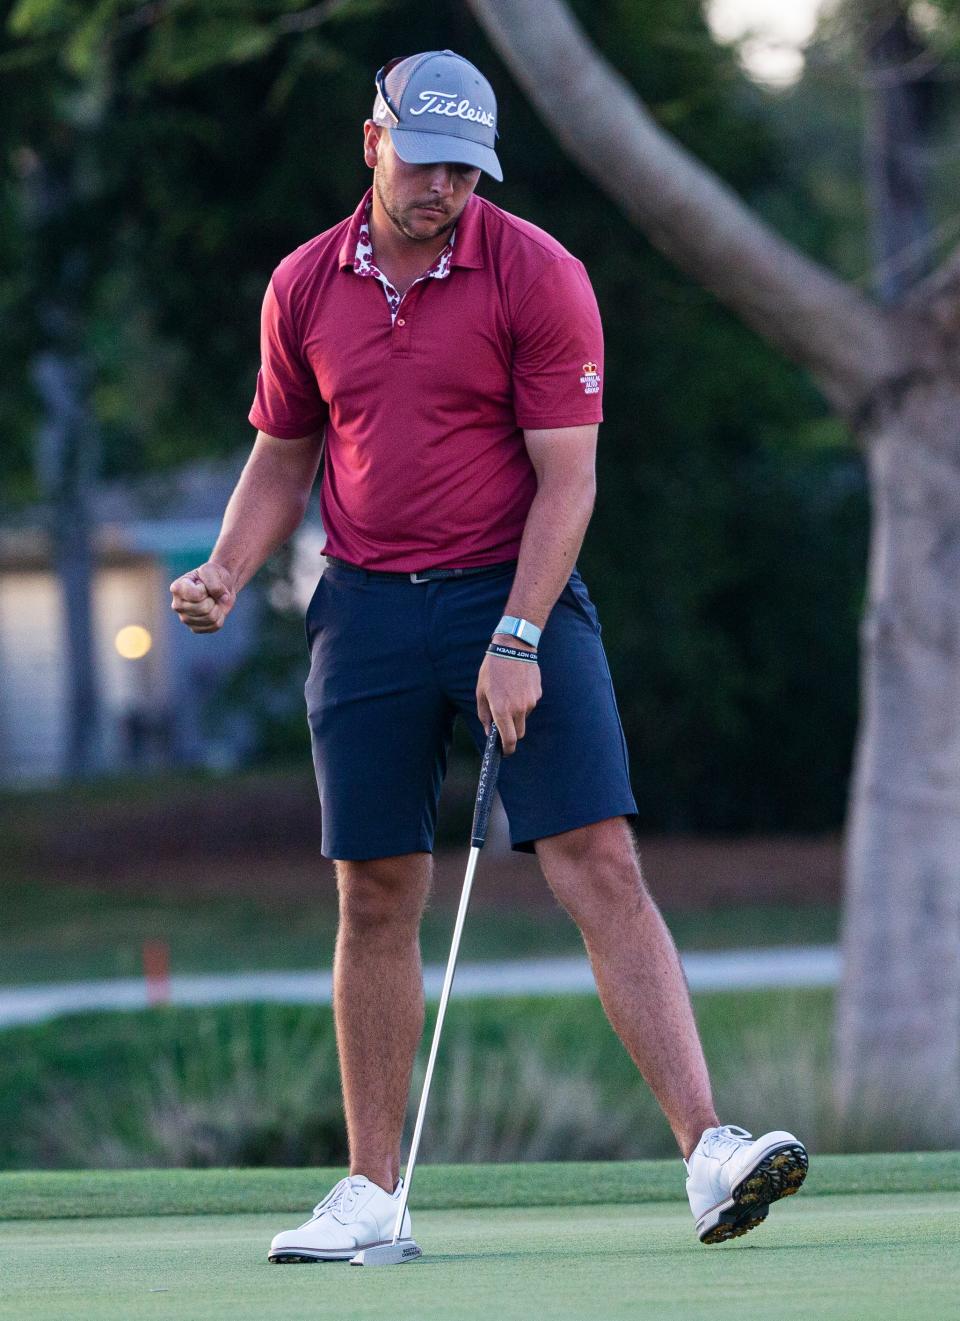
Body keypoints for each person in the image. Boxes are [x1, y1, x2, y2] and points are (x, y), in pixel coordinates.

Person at [170, 48, 808, 1262]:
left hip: (516, 586)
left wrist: (517, 634)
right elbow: (283, 450)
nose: (446, 190)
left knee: (598, 859)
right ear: (373, 143)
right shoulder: (304, 284)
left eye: (468, 171)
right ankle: (369, 1194)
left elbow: (571, 478)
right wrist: (226, 569)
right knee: (372, 891)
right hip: (362, 607)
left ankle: (710, 1149)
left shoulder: (537, 274)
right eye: (426, 164)